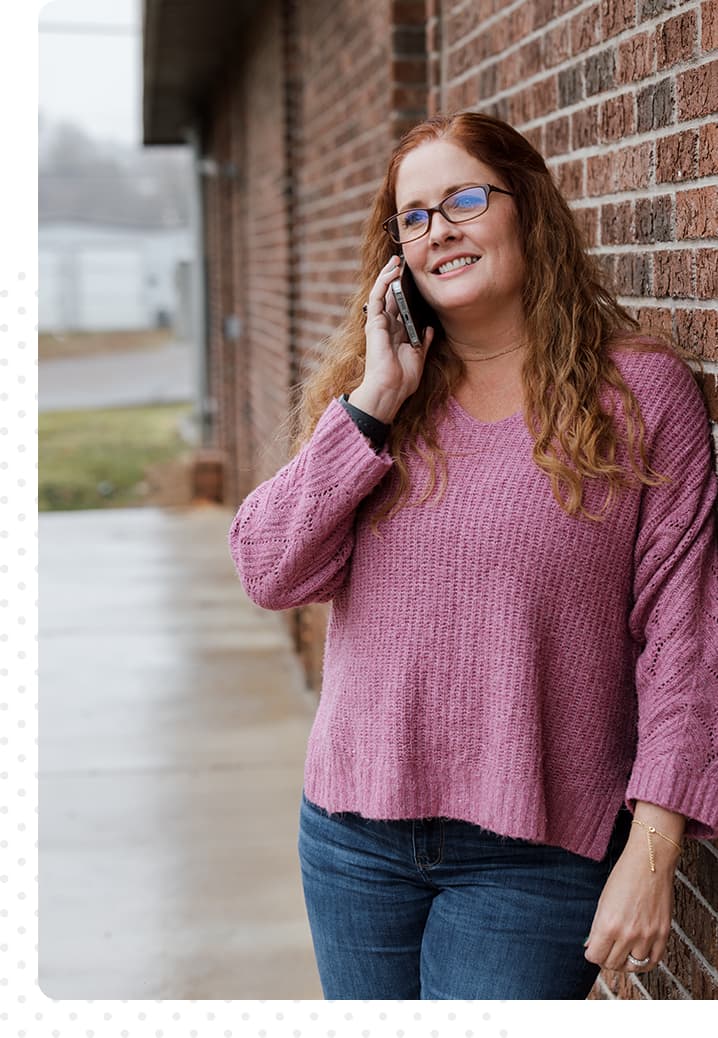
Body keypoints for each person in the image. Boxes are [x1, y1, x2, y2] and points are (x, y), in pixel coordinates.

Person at [228, 111, 718, 999]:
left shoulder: (640, 395)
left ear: (527, 207)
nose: (437, 230)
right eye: (411, 217)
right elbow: (269, 570)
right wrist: (374, 402)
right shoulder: (376, 398)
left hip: (536, 854)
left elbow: (687, 636)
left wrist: (655, 847)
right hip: (350, 836)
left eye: (462, 199)